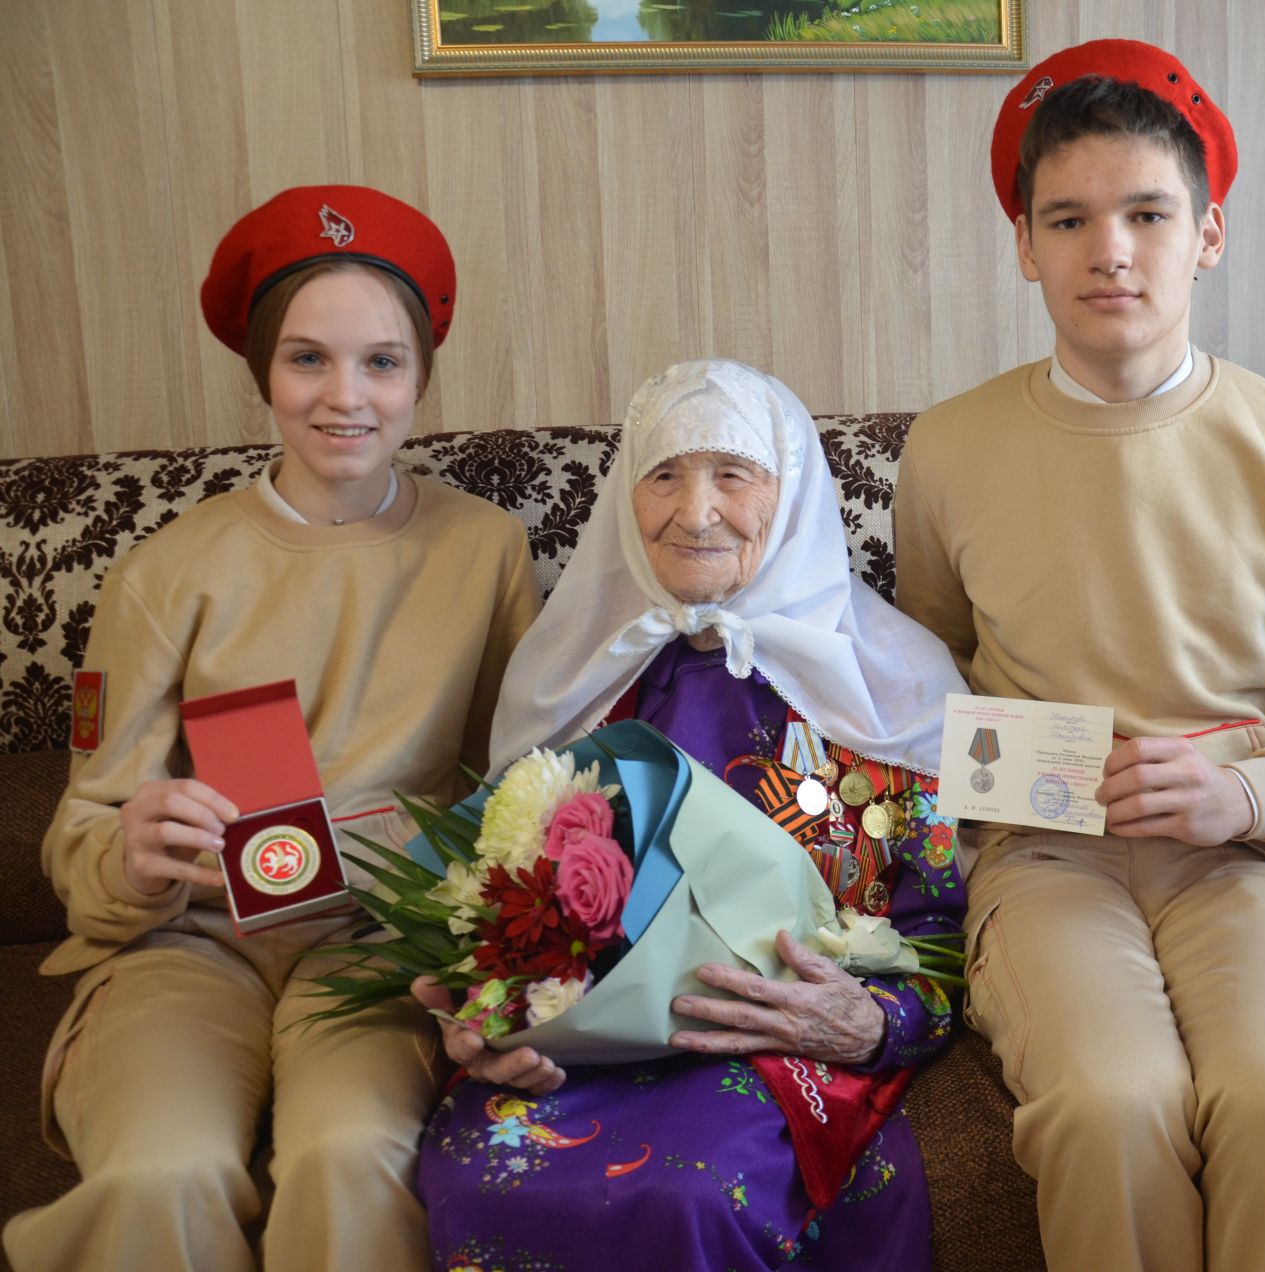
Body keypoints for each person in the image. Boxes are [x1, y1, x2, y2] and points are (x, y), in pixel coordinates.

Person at [892, 39, 1265, 1272]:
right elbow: (923, 691)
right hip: (1043, 863)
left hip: (1249, 859)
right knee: (1110, 1105)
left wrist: (1247, 791)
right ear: (1025, 246)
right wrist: (1007, 775)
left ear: (1208, 234)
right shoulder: (948, 449)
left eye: (1147, 213)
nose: (1111, 251)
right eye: (1068, 220)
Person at [2, 185, 541, 1272]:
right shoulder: (162, 574)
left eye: (381, 362)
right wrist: (132, 855)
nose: (346, 397)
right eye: (307, 360)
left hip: (382, 945)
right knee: (160, 1171)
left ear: (421, 375)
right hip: (188, 947)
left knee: (352, 1155)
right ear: (263, 374)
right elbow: (82, 835)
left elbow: (524, 786)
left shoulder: (487, 550)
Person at [415, 358, 967, 1271]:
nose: (696, 511)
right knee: (485, 1174)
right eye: (664, 474)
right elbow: (488, 902)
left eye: (733, 473)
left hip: (775, 1046)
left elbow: (947, 933)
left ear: (794, 497)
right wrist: (486, 1018)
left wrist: (874, 1023)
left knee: (689, 1193)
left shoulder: (896, 682)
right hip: (577, 1051)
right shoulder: (569, 672)